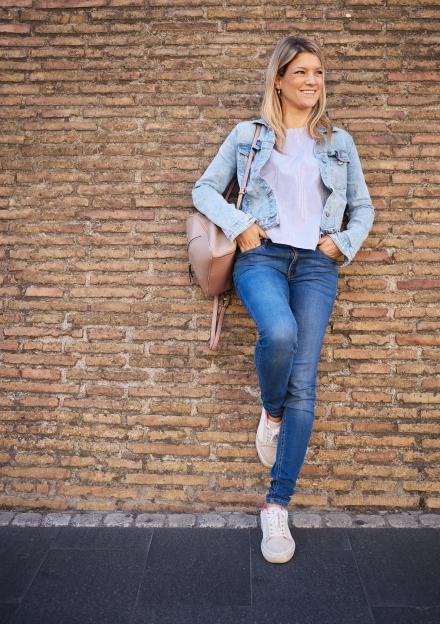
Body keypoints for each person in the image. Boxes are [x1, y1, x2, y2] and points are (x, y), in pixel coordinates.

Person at [191, 35, 375, 564]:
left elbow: (361, 208)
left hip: (317, 265)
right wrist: (240, 222)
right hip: (262, 257)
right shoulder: (249, 136)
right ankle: (270, 413)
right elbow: (205, 190)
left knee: (305, 381)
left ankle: (277, 505)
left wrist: (343, 242)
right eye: (301, 73)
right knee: (279, 335)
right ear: (279, 79)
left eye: (318, 73)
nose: (313, 82)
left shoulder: (339, 142)